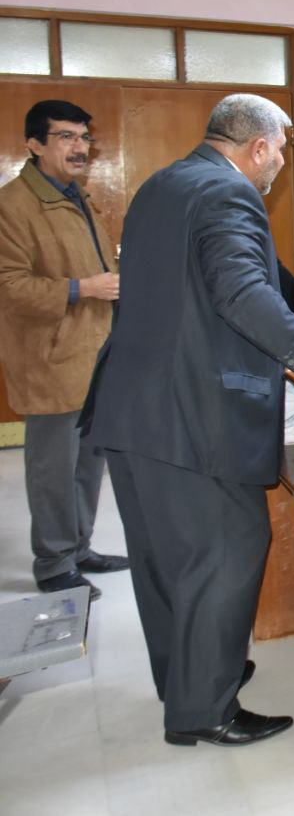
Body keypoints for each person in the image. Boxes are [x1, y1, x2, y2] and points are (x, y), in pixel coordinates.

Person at [79, 94, 294, 746]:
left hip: (130, 408)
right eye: (283, 149)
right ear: (260, 147)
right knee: (227, 549)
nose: (280, 164)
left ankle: (186, 679)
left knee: (163, 559)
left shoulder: (162, 183)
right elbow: (241, 291)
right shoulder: (228, 194)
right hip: (189, 414)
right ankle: (205, 709)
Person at [0, 99, 127, 601]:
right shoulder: (13, 206)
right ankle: (53, 564)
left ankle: (79, 548)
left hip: (95, 352)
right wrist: (82, 289)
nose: (79, 148)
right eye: (66, 138)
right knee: (53, 468)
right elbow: (9, 286)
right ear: (34, 145)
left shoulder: (76, 197)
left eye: (83, 138)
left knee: (88, 462)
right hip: (50, 356)